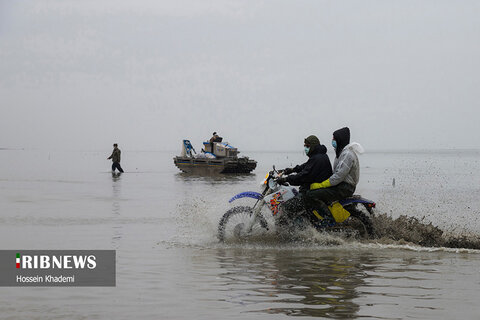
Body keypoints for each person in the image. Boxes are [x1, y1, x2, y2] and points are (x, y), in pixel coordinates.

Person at [304, 127, 363, 222]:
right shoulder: (341, 154)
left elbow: (338, 176)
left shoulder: (347, 154)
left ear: (340, 140)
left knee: (311, 195)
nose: (332, 141)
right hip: (341, 186)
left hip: (344, 188)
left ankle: (328, 218)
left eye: (334, 139)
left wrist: (321, 185)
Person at [276, 135, 332, 223]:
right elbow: (305, 166)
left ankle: (289, 232)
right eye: (305, 146)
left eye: (307, 146)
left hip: (311, 192)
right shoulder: (318, 156)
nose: (305, 148)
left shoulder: (317, 158)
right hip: (313, 190)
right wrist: (291, 170)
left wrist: (286, 179)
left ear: (313, 146)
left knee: (286, 207)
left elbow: (304, 176)